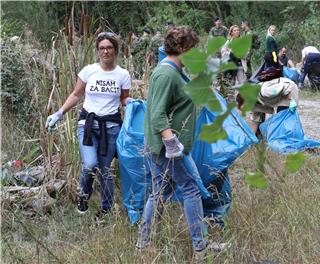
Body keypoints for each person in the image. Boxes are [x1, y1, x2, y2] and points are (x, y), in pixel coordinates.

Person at [135, 26, 226, 258]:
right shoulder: (166, 74)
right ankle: (201, 248)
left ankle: (143, 243)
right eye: (193, 49)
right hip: (168, 148)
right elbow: (157, 113)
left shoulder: (175, 71)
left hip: (164, 146)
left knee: (160, 192)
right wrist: (171, 141)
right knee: (191, 190)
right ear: (182, 48)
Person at [45, 32, 132, 219]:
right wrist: (59, 113)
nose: (106, 51)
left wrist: (134, 105)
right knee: (90, 164)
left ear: (115, 50)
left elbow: (124, 98)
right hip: (88, 125)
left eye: (109, 47)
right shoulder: (88, 71)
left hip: (111, 127)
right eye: (102, 48)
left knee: (105, 170)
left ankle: (105, 210)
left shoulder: (123, 74)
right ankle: (84, 197)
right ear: (97, 51)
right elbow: (76, 95)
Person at [221, 25, 246, 101]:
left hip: (240, 64)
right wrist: (230, 52)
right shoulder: (229, 41)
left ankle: (243, 101)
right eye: (235, 30)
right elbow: (223, 51)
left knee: (242, 83)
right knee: (231, 83)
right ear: (231, 32)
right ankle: (231, 100)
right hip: (231, 65)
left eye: (238, 30)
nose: (237, 31)